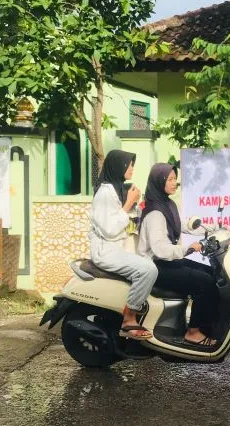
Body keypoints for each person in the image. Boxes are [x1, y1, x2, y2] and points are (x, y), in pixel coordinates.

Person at [138, 162, 219, 348]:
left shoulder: (166, 204)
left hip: (168, 262)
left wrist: (214, 228)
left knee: (214, 274)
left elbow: (182, 225)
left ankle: (208, 326)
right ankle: (193, 332)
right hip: (156, 267)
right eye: (170, 179)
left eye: (176, 178)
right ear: (159, 181)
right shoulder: (154, 213)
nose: (175, 182)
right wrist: (189, 248)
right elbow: (161, 250)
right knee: (205, 283)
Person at [90, 149, 158, 340]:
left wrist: (135, 205)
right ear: (118, 166)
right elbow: (109, 228)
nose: (132, 169)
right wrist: (129, 203)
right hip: (106, 251)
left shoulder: (117, 188)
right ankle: (129, 319)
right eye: (129, 165)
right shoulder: (105, 192)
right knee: (148, 270)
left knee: (150, 262)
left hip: (117, 247)